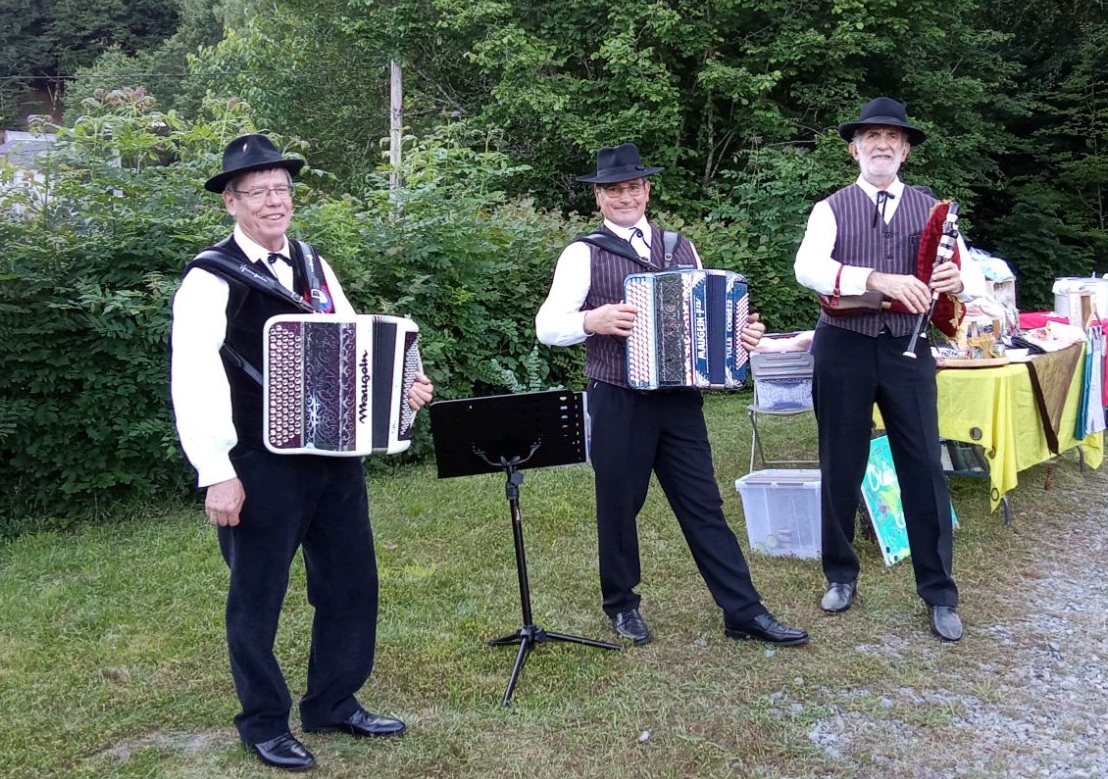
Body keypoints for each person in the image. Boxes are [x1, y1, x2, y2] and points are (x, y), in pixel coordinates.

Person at [170, 133, 434, 771]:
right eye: (257, 191)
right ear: (231, 202)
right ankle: (263, 721)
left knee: (350, 584)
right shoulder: (209, 279)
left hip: (334, 454)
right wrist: (217, 473)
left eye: (281, 189)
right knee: (257, 596)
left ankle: (333, 702)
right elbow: (193, 378)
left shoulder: (314, 263)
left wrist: (403, 383)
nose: (272, 201)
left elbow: (353, 342)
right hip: (258, 464)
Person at [535, 143, 809, 649]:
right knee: (619, 505)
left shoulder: (680, 246)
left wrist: (742, 335)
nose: (625, 197)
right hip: (618, 396)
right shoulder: (583, 253)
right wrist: (590, 321)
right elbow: (547, 326)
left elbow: (709, 316)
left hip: (680, 398)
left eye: (633, 187)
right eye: (614, 189)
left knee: (704, 503)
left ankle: (742, 611)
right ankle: (622, 605)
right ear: (599, 196)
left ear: (647, 190)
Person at [793, 97, 985, 642]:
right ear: (855, 149)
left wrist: (955, 282)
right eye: (871, 137)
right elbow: (809, 269)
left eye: (892, 138)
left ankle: (939, 592)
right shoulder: (830, 208)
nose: (882, 145)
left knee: (923, 464)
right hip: (844, 347)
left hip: (909, 346)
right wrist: (876, 279)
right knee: (841, 460)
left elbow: (968, 278)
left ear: (904, 151)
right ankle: (840, 573)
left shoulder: (932, 210)